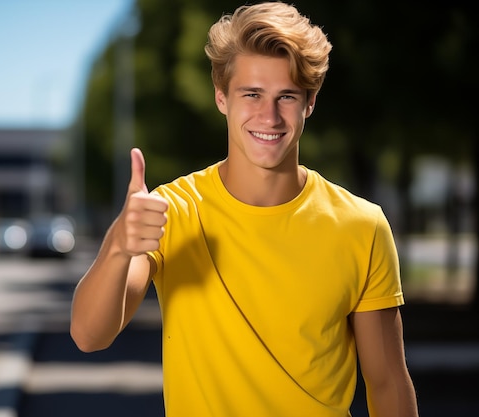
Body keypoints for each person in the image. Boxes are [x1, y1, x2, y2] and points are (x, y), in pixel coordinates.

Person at [70, 2, 419, 416]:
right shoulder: (173, 211)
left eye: (286, 96)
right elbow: (90, 336)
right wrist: (118, 247)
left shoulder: (362, 225)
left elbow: (388, 382)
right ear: (222, 98)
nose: (268, 116)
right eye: (251, 94)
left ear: (310, 102)